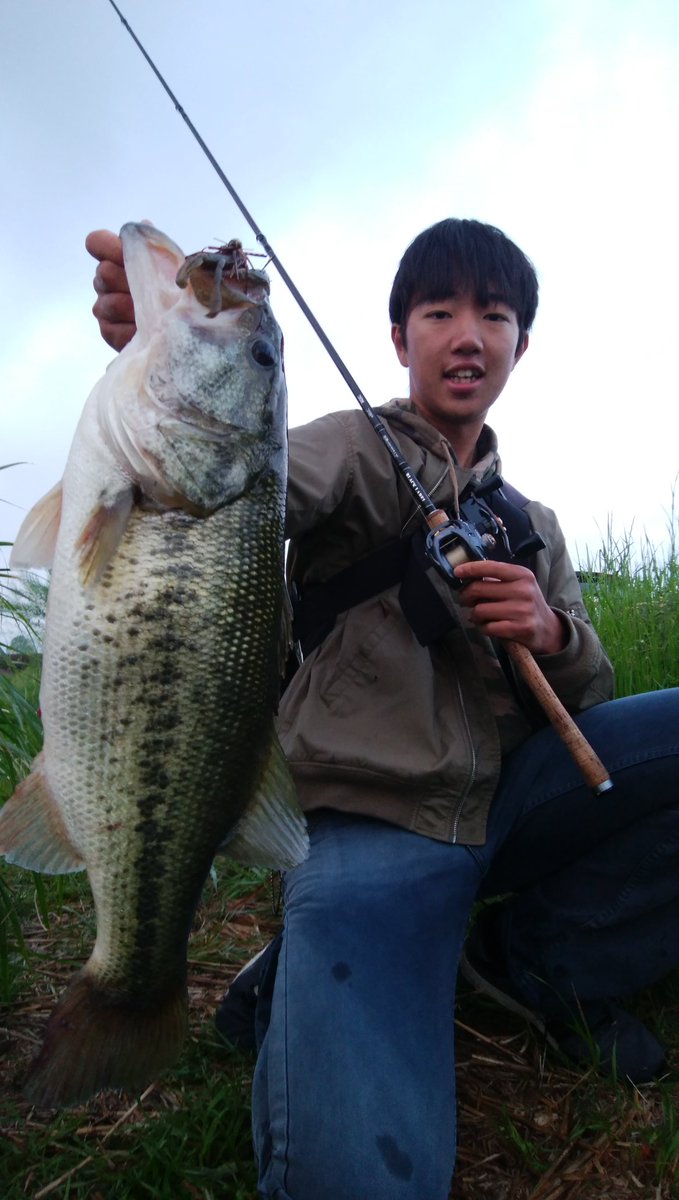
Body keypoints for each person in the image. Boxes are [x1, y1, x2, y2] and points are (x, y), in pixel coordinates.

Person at [87, 218, 679, 1200]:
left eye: (492, 315)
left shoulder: (534, 524)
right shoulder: (349, 450)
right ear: (400, 338)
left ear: (518, 346)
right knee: (356, 1178)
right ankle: (314, 958)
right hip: (373, 826)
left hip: (512, 799)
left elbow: (594, 699)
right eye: (438, 311)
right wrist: (164, 358)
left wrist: (553, 634)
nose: (467, 335)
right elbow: (240, 480)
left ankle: (531, 961)